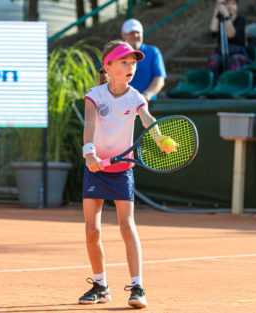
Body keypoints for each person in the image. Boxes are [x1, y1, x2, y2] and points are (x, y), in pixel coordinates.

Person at [79, 40, 175, 309]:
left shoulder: (135, 97)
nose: (131, 66)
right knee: (91, 229)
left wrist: (159, 138)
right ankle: (100, 286)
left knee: (126, 226)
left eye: (133, 62)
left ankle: (137, 286)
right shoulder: (94, 95)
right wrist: (89, 154)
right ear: (108, 66)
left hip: (122, 170)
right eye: (124, 62)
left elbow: (146, 119)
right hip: (95, 169)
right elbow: (89, 124)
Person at [121, 19, 166, 102]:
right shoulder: (116, 54)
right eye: (131, 32)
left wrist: (146, 95)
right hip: (121, 105)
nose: (135, 35)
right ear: (123, 35)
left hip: (148, 105)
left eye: (138, 32)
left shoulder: (153, 52)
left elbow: (159, 78)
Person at [207, 0, 251, 79]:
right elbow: (213, 30)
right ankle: (214, 86)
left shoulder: (240, 19)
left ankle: (233, 85)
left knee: (233, 60)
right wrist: (217, 9)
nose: (230, 6)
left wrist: (226, 16)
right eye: (227, 4)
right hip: (222, 51)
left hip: (238, 53)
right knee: (213, 59)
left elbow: (231, 34)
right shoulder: (220, 19)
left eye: (233, 4)